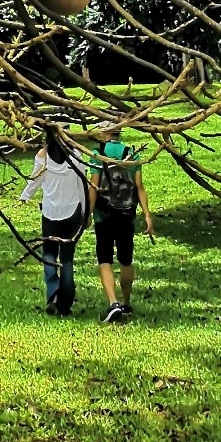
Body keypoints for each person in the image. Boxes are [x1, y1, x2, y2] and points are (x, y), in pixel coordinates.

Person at [20, 125, 89, 316]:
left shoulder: (43, 155)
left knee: (49, 254)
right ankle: (65, 303)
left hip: (50, 214)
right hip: (72, 213)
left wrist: (25, 196)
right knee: (67, 259)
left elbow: (34, 180)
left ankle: (53, 294)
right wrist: (86, 212)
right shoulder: (75, 155)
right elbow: (82, 184)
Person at [88, 125, 153, 323]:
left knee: (105, 258)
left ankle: (112, 302)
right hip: (127, 213)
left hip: (104, 215)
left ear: (104, 133)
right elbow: (139, 187)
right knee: (126, 259)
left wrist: (88, 213)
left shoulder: (98, 154)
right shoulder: (131, 153)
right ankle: (125, 302)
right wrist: (148, 216)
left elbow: (94, 185)